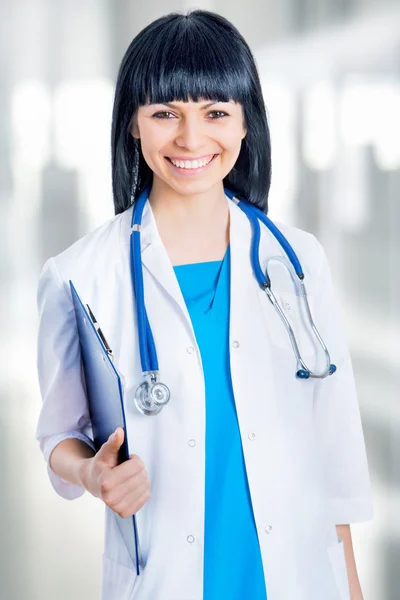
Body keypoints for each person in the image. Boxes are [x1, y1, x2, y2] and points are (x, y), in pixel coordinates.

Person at [35, 9, 373, 600]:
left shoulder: (297, 261)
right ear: (133, 125)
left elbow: (334, 452)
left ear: (246, 124)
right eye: (165, 113)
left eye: (216, 112)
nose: (191, 139)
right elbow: (59, 435)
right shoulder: (80, 276)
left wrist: (351, 588)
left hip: (296, 576)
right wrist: (91, 472)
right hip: (167, 579)